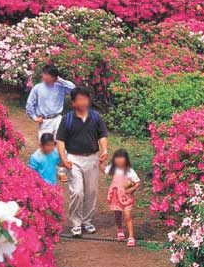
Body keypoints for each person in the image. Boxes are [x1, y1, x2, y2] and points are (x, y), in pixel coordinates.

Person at [56, 87, 109, 237]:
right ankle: (76, 224)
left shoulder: (96, 117)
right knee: (77, 192)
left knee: (91, 192)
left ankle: (87, 220)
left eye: (85, 98)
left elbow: (103, 136)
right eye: (80, 99)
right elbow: (60, 140)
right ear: (73, 102)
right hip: (74, 159)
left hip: (92, 157)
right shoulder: (67, 119)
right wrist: (64, 158)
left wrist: (104, 150)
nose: (83, 102)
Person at [25, 64, 75, 140]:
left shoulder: (60, 87)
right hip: (45, 121)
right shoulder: (37, 88)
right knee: (46, 148)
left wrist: (59, 80)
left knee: (60, 145)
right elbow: (29, 104)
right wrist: (34, 117)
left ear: (53, 77)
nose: (43, 75)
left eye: (46, 74)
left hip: (58, 119)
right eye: (43, 73)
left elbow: (73, 89)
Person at [105, 149, 141, 247]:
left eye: (122, 158)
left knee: (127, 215)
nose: (119, 161)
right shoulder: (112, 169)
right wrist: (100, 161)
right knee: (117, 213)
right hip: (116, 196)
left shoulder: (129, 171)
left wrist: (131, 189)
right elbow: (103, 170)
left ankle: (131, 236)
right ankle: (120, 230)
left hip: (126, 197)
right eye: (117, 158)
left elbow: (137, 182)